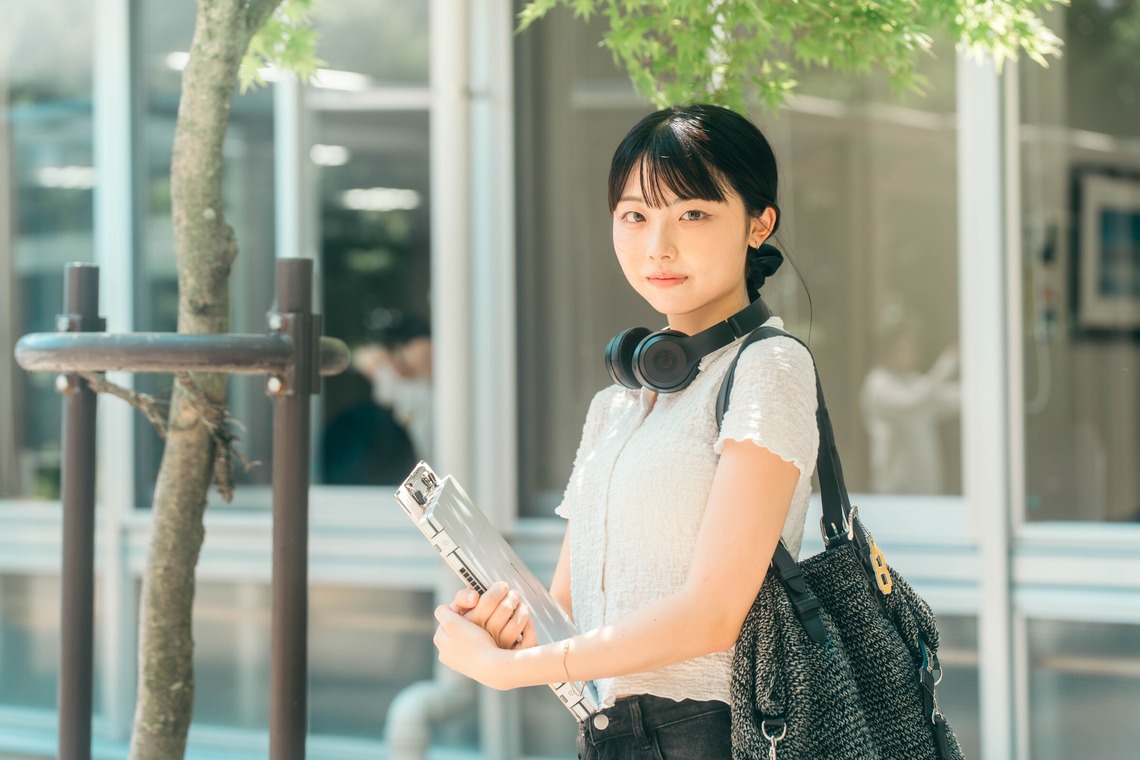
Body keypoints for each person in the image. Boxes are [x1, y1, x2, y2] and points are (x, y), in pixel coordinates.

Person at [432, 104, 819, 759]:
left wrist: (508, 671)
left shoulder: (767, 367)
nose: (657, 246)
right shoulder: (617, 405)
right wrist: (501, 627)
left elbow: (713, 615)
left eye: (692, 214)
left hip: (712, 736)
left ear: (759, 224)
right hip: (610, 734)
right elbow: (568, 616)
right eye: (635, 216)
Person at [860, 320, 960, 494]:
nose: (912, 353)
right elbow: (912, 401)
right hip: (894, 489)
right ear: (887, 351)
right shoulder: (878, 385)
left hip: (925, 486)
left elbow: (946, 398)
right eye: (905, 348)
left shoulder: (911, 381)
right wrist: (949, 361)